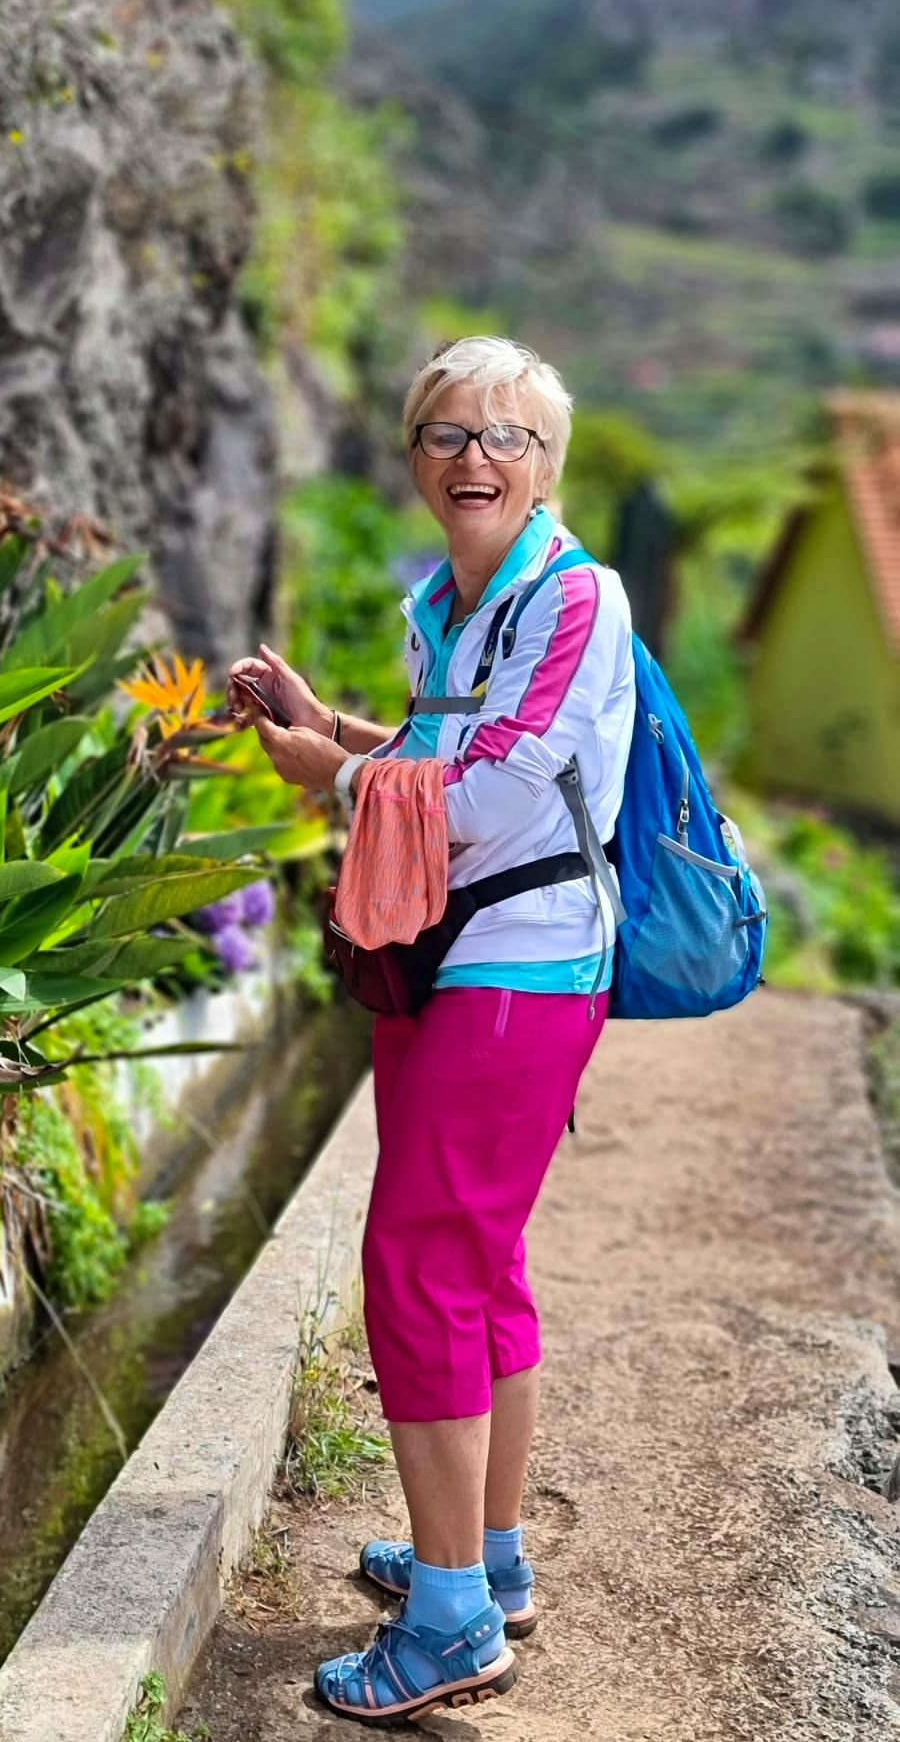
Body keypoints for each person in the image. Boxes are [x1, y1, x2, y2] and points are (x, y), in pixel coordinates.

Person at [227, 335, 635, 1725]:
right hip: (454, 957)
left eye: (506, 436)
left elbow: (502, 790)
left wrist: (332, 771)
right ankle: (489, 1556)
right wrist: (332, 723)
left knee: (414, 1262)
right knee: (478, 1259)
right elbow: (437, 751)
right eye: (447, 434)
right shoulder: (457, 605)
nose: (476, 458)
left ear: (548, 464)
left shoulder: (577, 597)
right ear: (415, 461)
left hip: (524, 961)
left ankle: (454, 1621)